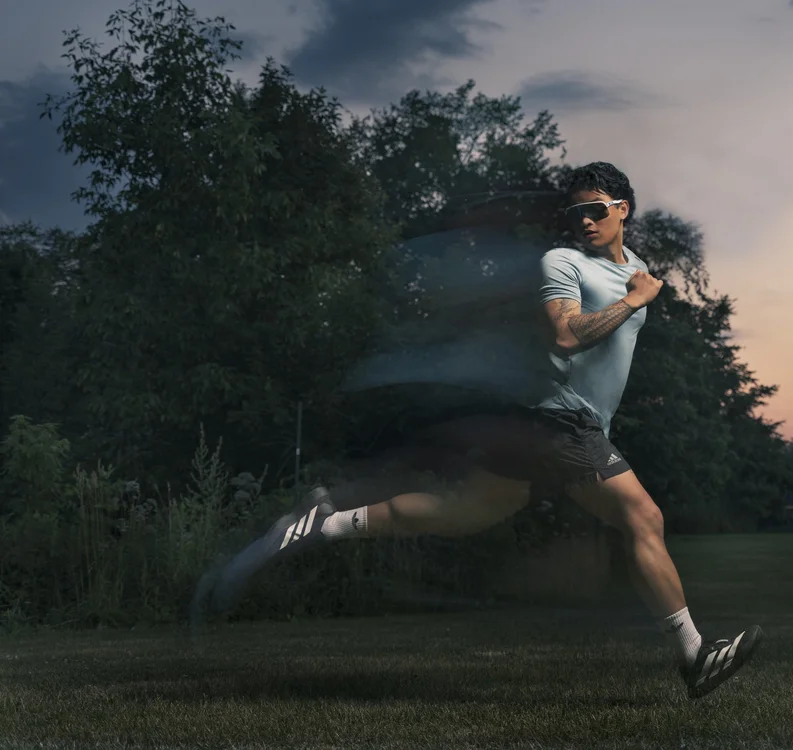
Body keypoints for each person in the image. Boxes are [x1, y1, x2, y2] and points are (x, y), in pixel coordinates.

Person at [197, 162, 762, 700]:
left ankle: (328, 521)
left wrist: (635, 289)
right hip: (556, 417)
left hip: (554, 422)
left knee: (461, 511)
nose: (583, 222)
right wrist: (635, 299)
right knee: (644, 517)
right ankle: (694, 656)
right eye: (575, 215)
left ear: (622, 209)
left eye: (594, 211)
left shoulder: (631, 265)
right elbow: (566, 336)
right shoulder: (561, 263)